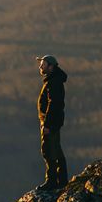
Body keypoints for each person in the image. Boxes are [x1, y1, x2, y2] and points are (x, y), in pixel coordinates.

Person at [36, 54, 68, 191]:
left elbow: (53, 104)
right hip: (53, 122)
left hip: (50, 123)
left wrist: (47, 124)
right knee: (56, 149)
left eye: (43, 64)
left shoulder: (53, 82)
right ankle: (62, 180)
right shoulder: (53, 80)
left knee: (48, 150)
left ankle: (52, 182)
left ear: (51, 66)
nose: (40, 67)